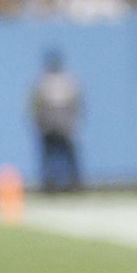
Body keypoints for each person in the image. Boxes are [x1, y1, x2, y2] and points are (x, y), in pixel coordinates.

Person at [27, 46, 85, 196]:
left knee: (51, 155)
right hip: (62, 123)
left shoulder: (42, 81)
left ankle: (51, 184)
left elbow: (35, 104)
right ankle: (71, 183)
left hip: (50, 124)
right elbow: (76, 103)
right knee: (65, 155)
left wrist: (38, 122)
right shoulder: (67, 81)